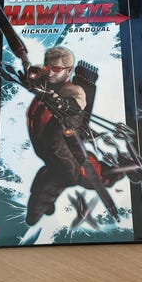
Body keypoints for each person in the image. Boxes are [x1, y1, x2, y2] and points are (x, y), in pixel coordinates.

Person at [25, 46, 91, 225]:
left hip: (65, 169)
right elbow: (34, 73)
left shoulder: (73, 91)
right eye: (47, 68)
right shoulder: (47, 81)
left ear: (68, 71)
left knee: (32, 216)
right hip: (50, 160)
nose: (50, 73)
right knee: (38, 188)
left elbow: (75, 104)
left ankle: (44, 205)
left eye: (56, 69)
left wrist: (57, 100)